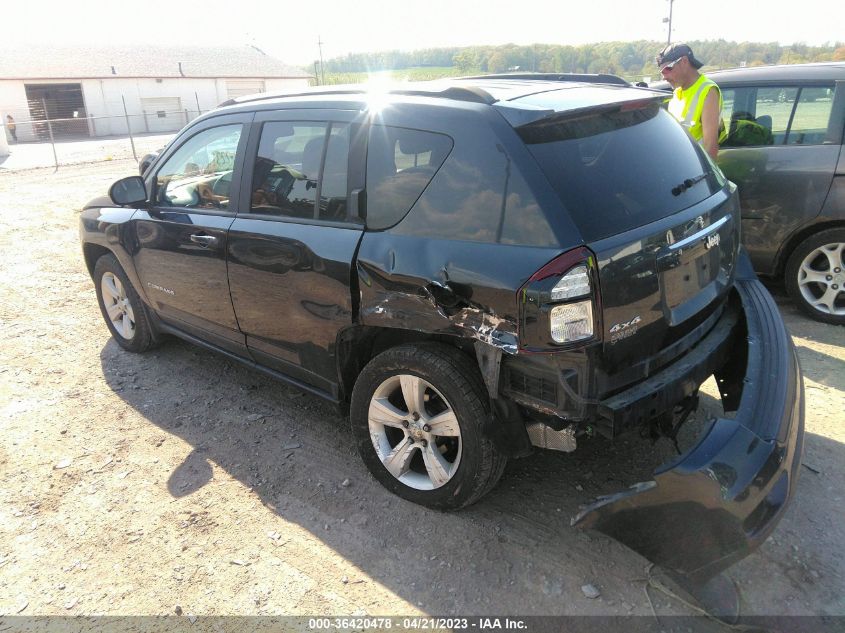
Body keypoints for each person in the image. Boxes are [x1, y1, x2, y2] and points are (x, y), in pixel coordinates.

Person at [656, 43, 724, 159]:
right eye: (661, 72)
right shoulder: (678, 91)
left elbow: (711, 147)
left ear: (684, 61)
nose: (664, 77)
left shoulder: (707, 91)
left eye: (667, 69)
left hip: (694, 171)